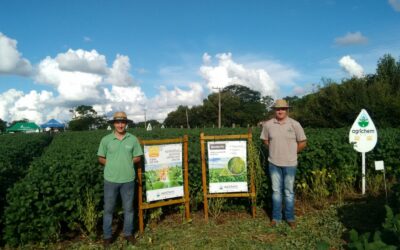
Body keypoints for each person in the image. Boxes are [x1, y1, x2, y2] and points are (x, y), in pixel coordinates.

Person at [97, 111, 143, 247]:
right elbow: (100, 157)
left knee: (128, 209)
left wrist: (127, 162)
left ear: (126, 124)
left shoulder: (132, 139)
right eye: (118, 122)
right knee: (108, 209)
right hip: (110, 180)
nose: (120, 125)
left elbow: (138, 157)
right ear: (114, 124)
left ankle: (128, 234)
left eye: (123, 122)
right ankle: (107, 236)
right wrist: (111, 164)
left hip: (128, 179)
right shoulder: (106, 140)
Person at [260, 99, 307, 229]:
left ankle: (290, 217)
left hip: (290, 163)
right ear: (274, 110)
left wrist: (292, 151)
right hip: (273, 163)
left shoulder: (295, 124)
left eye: (283, 109)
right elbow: (265, 140)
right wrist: (274, 150)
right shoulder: (268, 125)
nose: (280, 111)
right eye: (277, 109)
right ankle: (276, 218)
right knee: (276, 191)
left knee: (288, 192)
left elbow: (303, 142)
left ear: (287, 110)